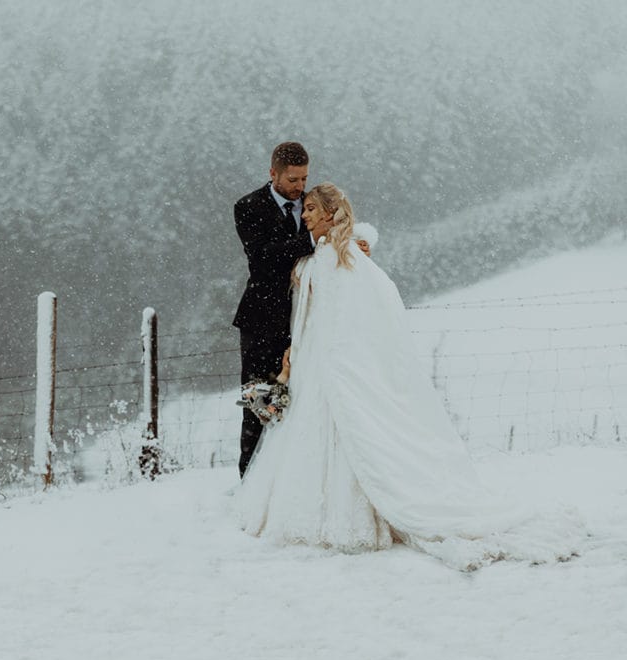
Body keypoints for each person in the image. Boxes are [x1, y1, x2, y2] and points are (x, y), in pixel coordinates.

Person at [236, 183, 584, 570]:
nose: (306, 215)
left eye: (313, 209)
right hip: (317, 360)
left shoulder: (340, 258)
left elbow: (344, 317)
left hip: (333, 364)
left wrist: (318, 358)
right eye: (305, 209)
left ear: (330, 213)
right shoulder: (326, 253)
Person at [232, 142, 367, 478]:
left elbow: (336, 239)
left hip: (304, 322)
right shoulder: (248, 207)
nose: (299, 186)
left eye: (304, 178)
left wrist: (354, 243)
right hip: (263, 320)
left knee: (303, 402)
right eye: (292, 179)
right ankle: (250, 482)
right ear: (273, 173)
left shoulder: (311, 205)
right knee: (261, 403)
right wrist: (308, 241)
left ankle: (291, 480)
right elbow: (261, 260)